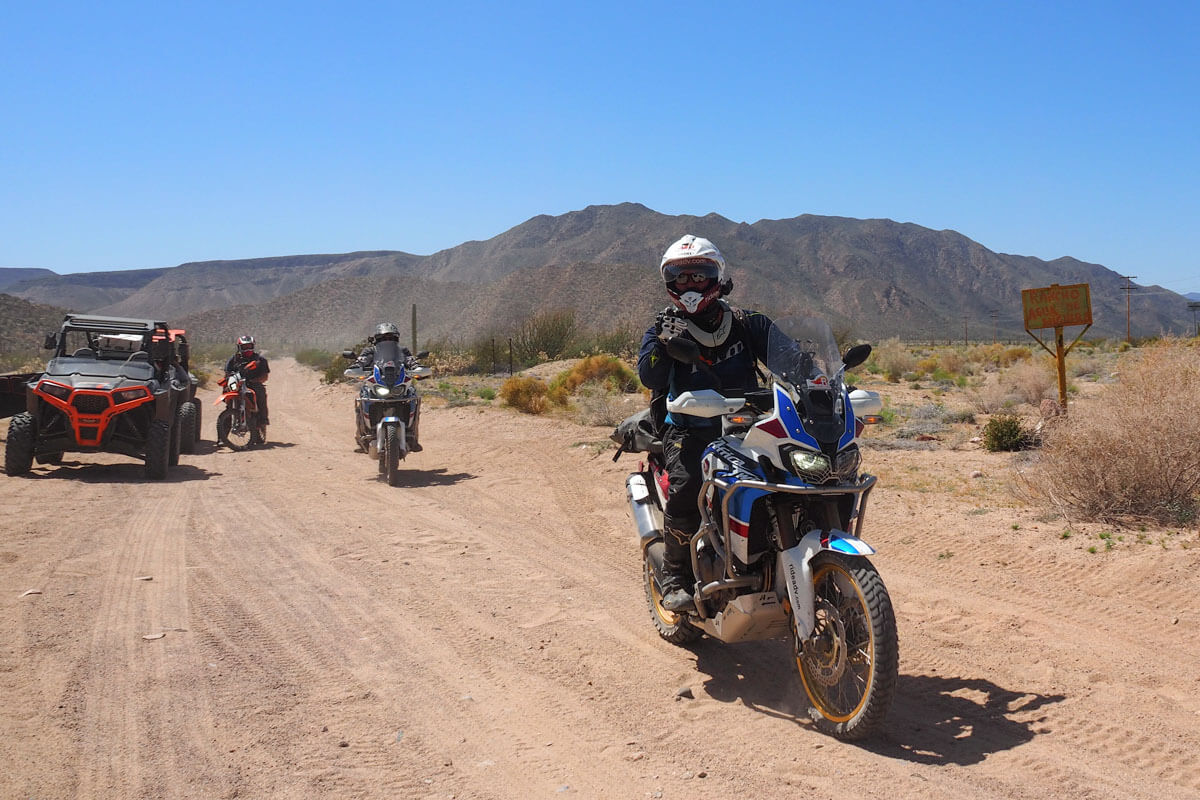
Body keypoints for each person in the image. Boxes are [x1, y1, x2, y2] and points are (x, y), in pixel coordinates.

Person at [637, 235, 775, 612]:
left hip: (750, 426)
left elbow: (792, 358)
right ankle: (674, 576)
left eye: (699, 276)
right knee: (688, 486)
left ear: (716, 277)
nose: (690, 285)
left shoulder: (748, 324)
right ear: (669, 282)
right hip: (688, 430)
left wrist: (818, 381)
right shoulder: (661, 329)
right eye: (680, 277)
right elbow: (649, 378)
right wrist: (664, 348)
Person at [354, 323, 422, 452]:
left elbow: (411, 361)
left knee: (413, 395)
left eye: (391, 338)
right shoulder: (370, 351)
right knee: (363, 395)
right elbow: (361, 361)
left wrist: (418, 368)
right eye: (384, 339)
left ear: (396, 339)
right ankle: (361, 434)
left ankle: (414, 435)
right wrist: (356, 367)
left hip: (397, 383)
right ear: (377, 340)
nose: (387, 341)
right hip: (378, 383)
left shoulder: (402, 351)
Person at [225, 334, 270, 429]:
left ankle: (263, 419)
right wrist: (228, 380)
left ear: (253, 346)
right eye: (244, 347)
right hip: (237, 383)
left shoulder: (260, 360)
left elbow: (265, 376)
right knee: (227, 403)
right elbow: (227, 372)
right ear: (239, 347)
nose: (247, 349)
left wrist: (256, 380)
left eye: (249, 346)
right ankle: (222, 435)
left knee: (260, 393)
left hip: (253, 384)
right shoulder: (233, 359)